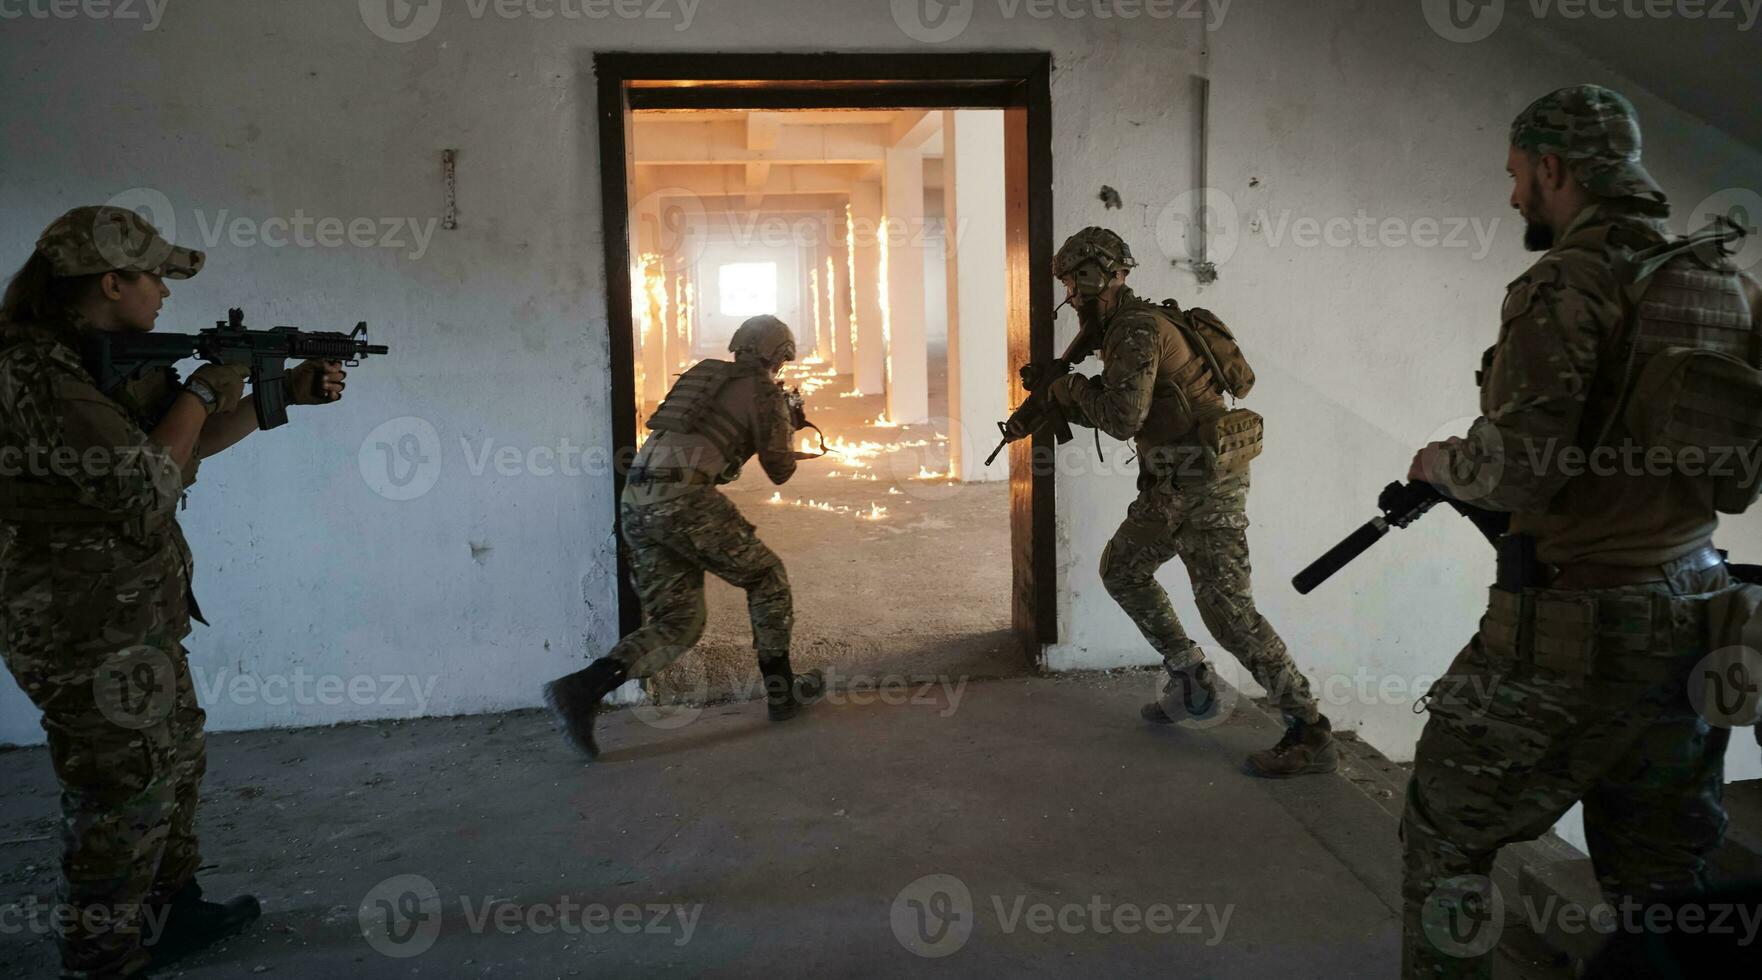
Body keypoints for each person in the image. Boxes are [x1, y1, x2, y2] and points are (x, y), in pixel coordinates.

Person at [1400, 85, 1762, 978]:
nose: (1515, 196)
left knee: (1444, 835)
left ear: (1554, 168)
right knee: (1663, 879)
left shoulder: (1566, 281)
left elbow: (1524, 466)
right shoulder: (1726, 283)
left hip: (1569, 635)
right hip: (1698, 615)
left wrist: (1441, 463)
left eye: (1519, 176)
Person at [0, 206, 350, 978]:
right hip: (76, 621)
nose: (164, 291)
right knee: (122, 787)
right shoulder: (35, 373)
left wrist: (273, 395)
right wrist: (200, 388)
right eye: (154, 276)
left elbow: (183, 448)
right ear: (110, 281)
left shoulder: (98, 355)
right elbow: (145, 484)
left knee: (175, 759)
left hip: (131, 609)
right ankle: (104, 956)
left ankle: (174, 914)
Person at [1038, 226, 1337, 777]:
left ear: (1099, 276)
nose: (1072, 296)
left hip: (1206, 485)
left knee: (1228, 613)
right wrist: (1068, 394)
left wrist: (1065, 390)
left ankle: (1310, 730)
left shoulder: (1135, 328)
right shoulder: (1130, 324)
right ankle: (1189, 675)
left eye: (1075, 282)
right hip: (1173, 483)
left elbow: (1123, 419)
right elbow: (1133, 409)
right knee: (1124, 569)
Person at [545, 314, 822, 760]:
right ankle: (781, 691)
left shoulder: (703, 377)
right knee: (767, 578)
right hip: (683, 501)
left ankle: (580, 689)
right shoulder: (765, 392)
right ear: (778, 356)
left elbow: (716, 456)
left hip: (638, 500)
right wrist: (785, 423)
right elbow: (780, 470)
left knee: (678, 623)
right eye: (782, 360)